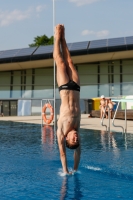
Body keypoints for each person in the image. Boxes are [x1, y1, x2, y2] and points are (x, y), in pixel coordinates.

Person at [53, 24, 81, 175]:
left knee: (60, 61)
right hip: (76, 87)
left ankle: (57, 37)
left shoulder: (61, 132)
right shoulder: (77, 128)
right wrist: (76, 169)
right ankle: (64, 38)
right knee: (70, 61)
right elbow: (78, 154)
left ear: (67, 139)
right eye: (77, 139)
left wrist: (67, 171)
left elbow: (63, 154)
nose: (76, 137)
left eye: (73, 139)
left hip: (64, 88)